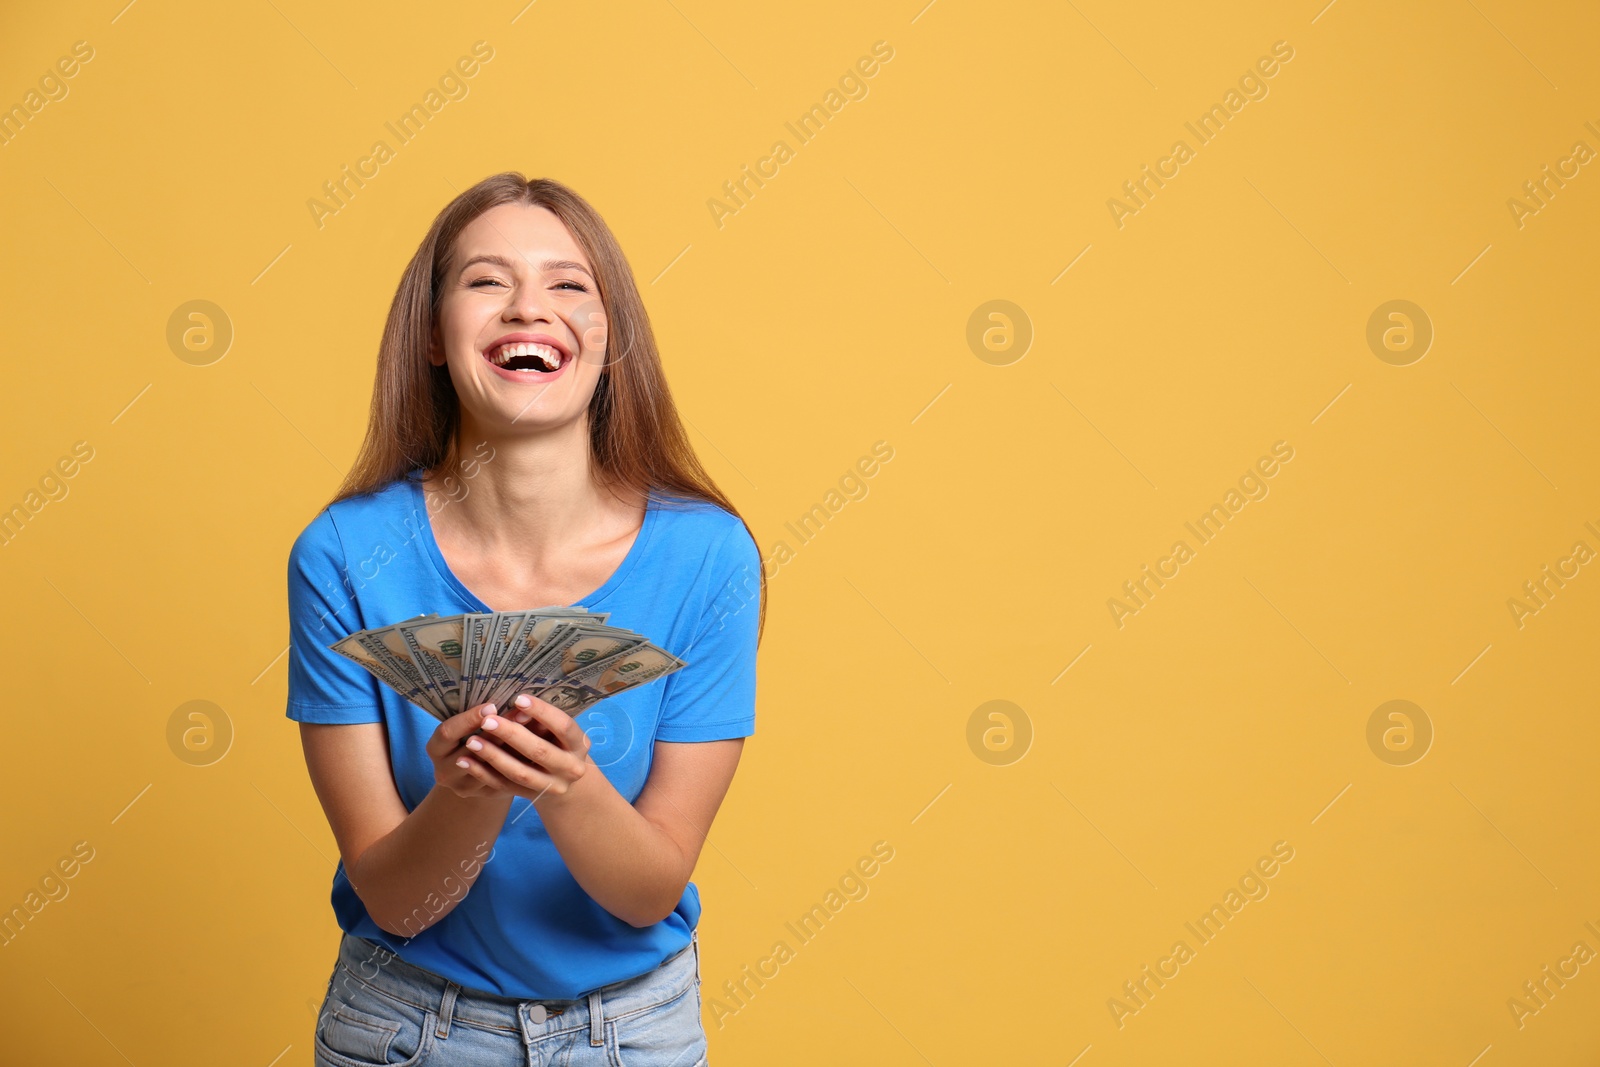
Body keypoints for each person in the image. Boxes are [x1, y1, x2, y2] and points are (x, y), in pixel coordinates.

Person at [284, 172, 764, 1066]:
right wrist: (470, 793)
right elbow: (396, 902)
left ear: (609, 336)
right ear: (433, 335)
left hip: (635, 1034)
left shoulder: (709, 558)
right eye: (485, 281)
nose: (526, 308)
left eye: (568, 284)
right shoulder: (344, 556)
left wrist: (567, 783)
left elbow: (646, 892)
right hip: (404, 1031)